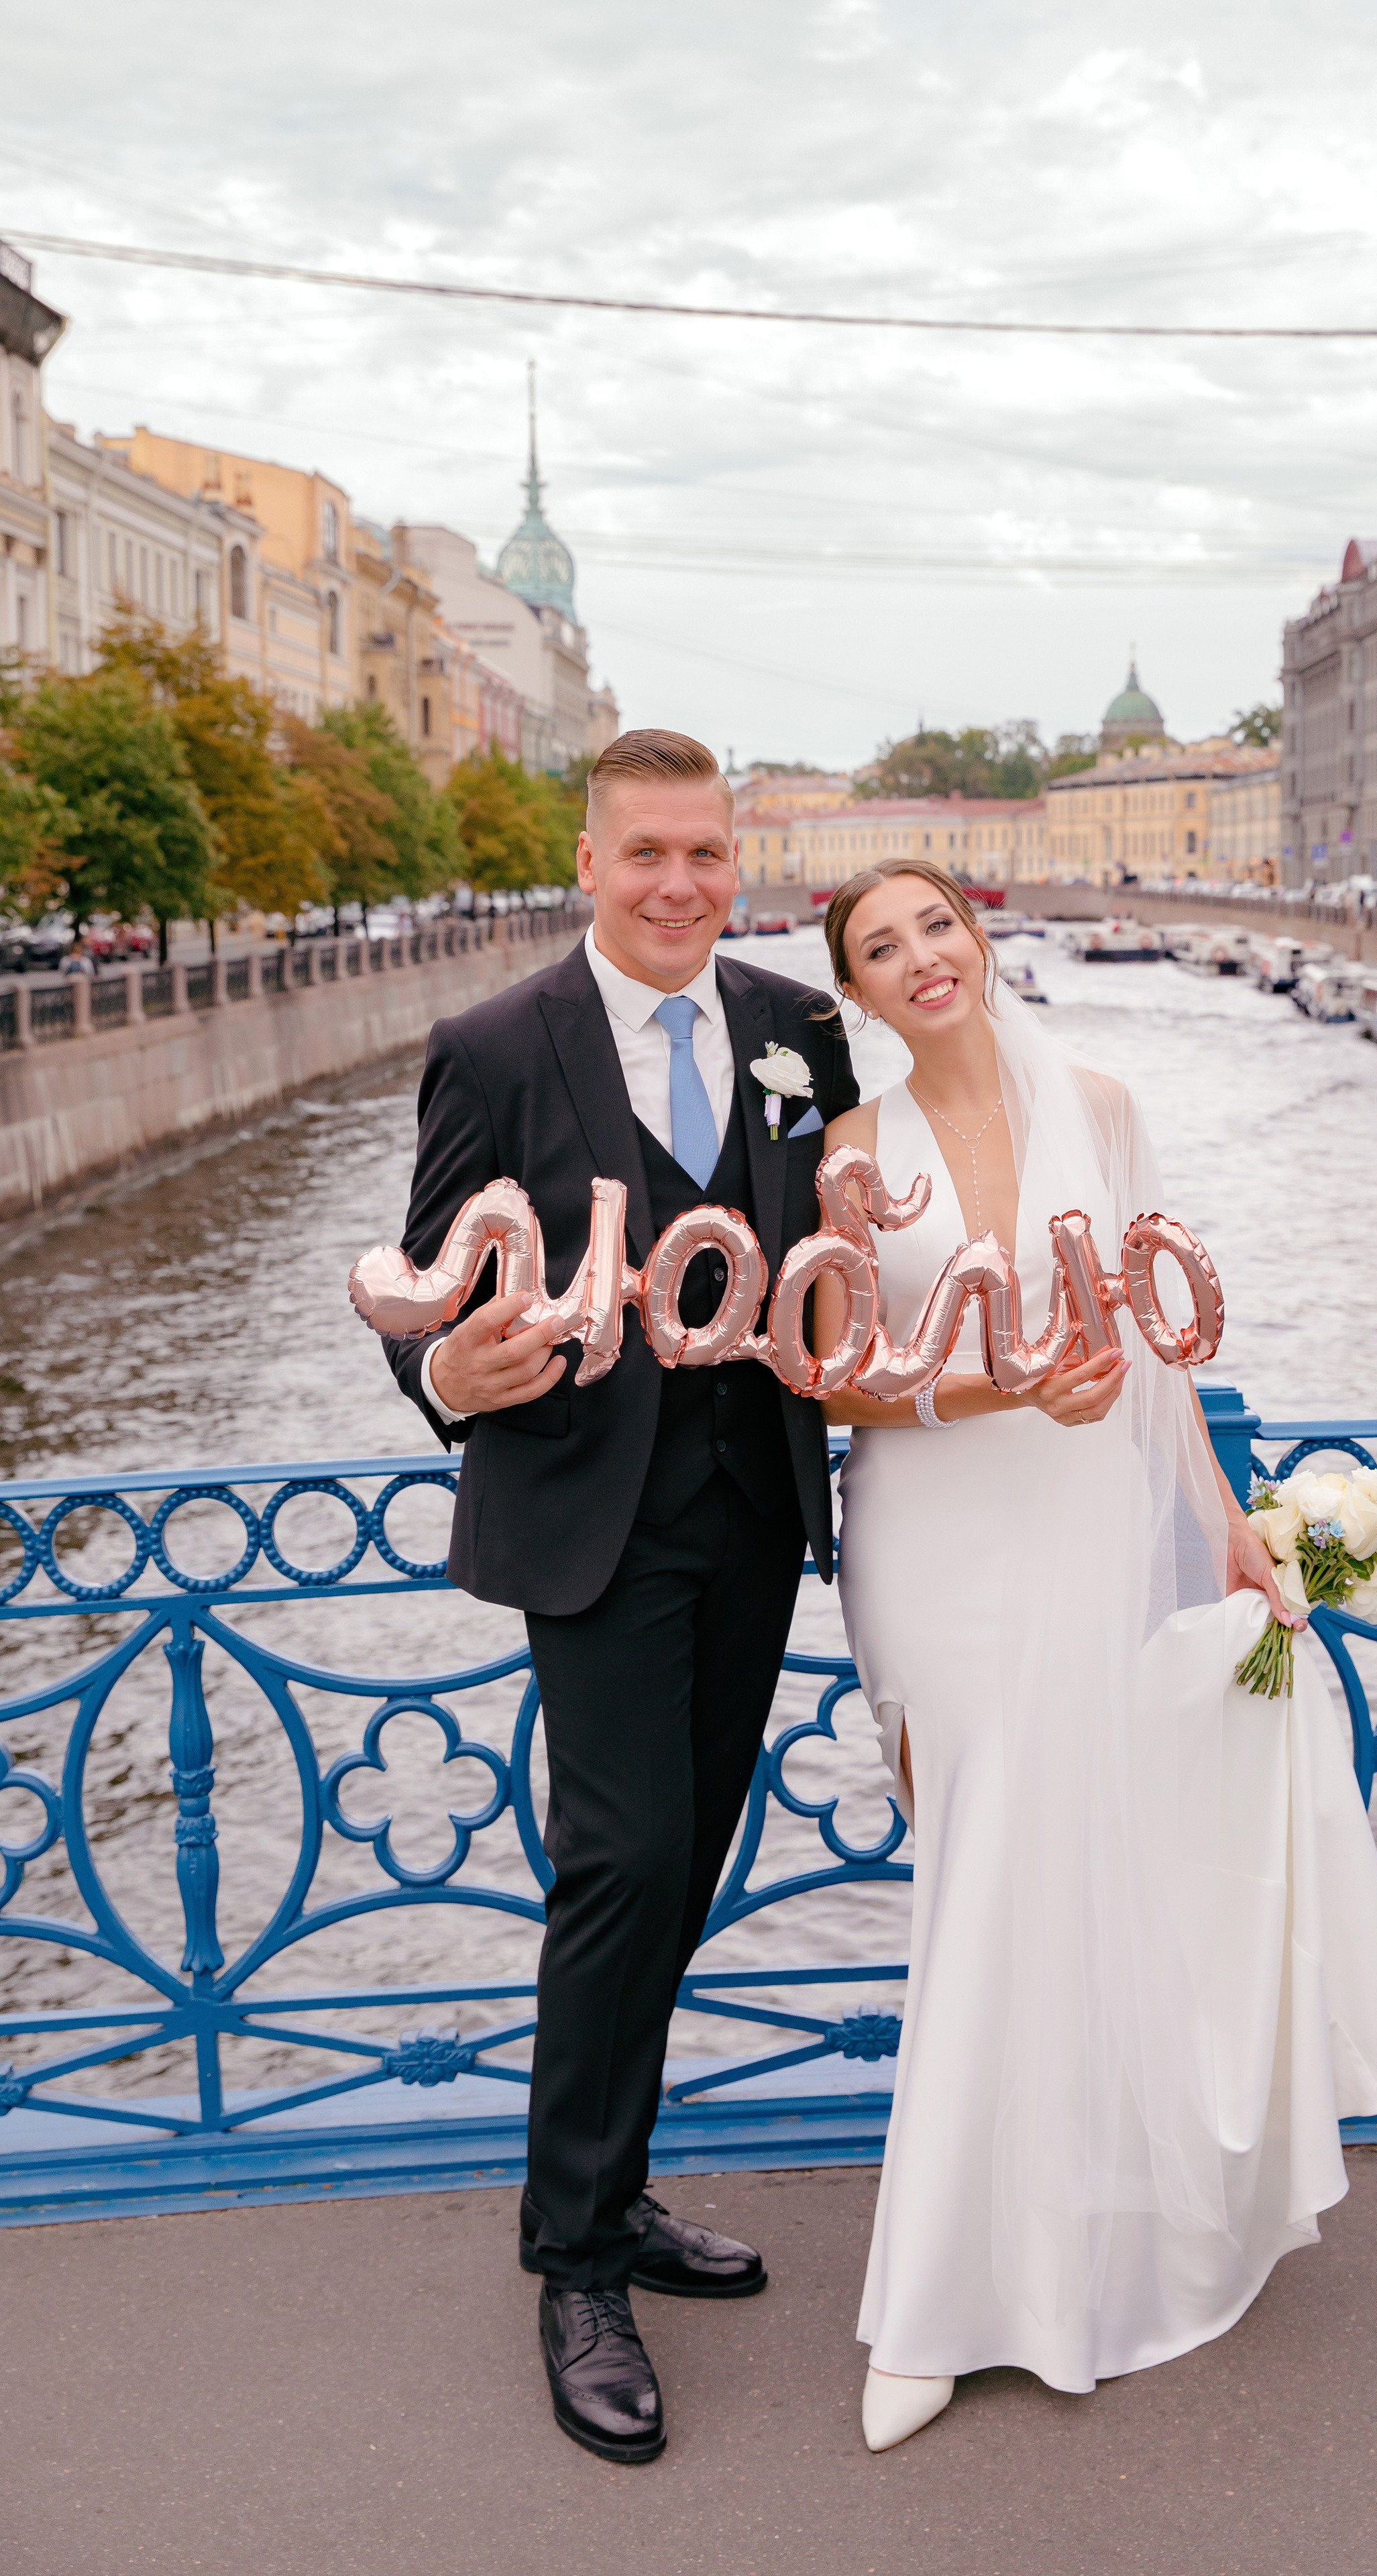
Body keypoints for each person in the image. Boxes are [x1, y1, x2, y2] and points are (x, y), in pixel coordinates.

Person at [814, 861, 1377, 2452]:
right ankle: (941, 2297)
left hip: (1087, 1515)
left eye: (934, 925)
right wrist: (998, 1389)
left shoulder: (1098, 1104)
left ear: (976, 937)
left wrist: (1222, 1526)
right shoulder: (851, 1151)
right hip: (932, 1534)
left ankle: (1074, 2232)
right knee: (976, 1863)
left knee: (1082, 1854)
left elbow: (1158, 1351)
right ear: (855, 992)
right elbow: (832, 1378)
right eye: (879, 948)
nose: (919, 958)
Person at [382, 730, 859, 2465]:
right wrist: (448, 1379)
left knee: (689, 1858)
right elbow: (425, 1296)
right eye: (644, 853)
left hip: (752, 1512)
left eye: (704, 853)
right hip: (591, 1524)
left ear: (738, 863)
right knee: (623, 1862)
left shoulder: (798, 1030)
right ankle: (576, 2263)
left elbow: (839, 1248)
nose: (678, 884)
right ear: (587, 863)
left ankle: (620, 2185)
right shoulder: (494, 1047)